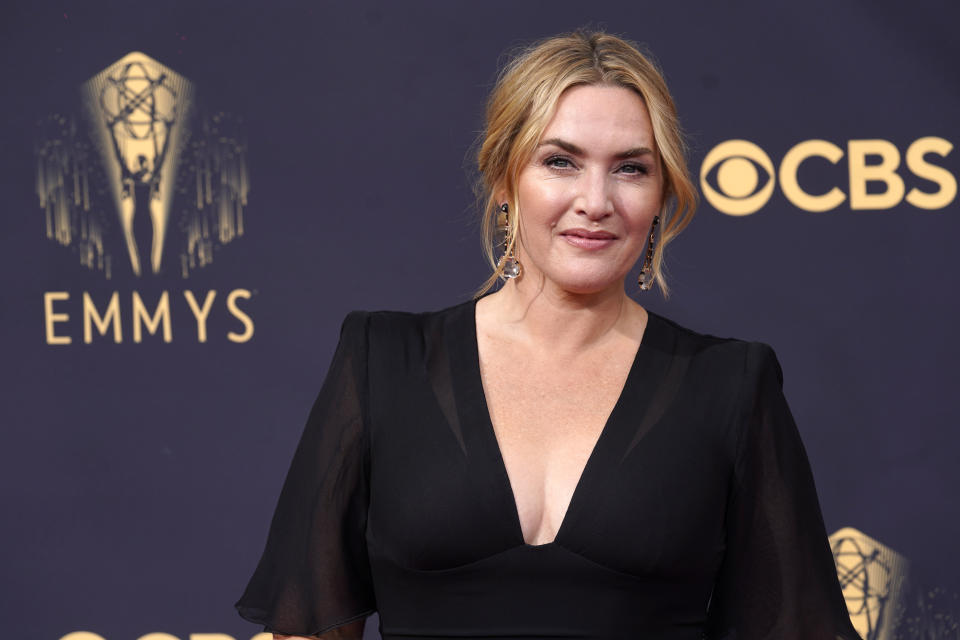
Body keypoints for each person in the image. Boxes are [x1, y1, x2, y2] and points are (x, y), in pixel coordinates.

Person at [235, 30, 861, 640]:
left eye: (631, 169)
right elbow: (308, 631)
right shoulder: (382, 360)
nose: (595, 200)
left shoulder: (731, 384)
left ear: (661, 195)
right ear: (506, 181)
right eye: (560, 161)